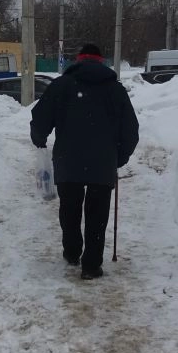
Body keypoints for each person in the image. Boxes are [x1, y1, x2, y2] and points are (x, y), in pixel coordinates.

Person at [31, 43, 139, 279]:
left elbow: (40, 119)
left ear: (78, 60)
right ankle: (91, 266)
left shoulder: (61, 86)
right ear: (101, 61)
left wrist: (39, 139)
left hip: (68, 160)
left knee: (69, 209)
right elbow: (131, 131)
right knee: (97, 214)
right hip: (102, 163)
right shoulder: (115, 90)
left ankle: (72, 252)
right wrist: (118, 158)